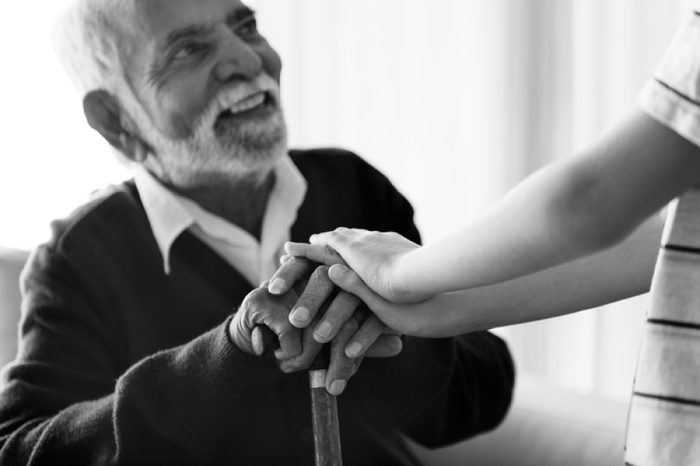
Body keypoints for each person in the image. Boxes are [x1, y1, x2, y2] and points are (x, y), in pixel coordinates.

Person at [0, 0, 515, 464]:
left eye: (245, 26)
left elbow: (483, 394)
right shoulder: (78, 259)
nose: (250, 61)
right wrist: (226, 356)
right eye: (188, 50)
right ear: (116, 121)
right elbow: (22, 450)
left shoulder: (351, 184)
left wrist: (390, 329)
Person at [281, 28, 700, 339]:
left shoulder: (349, 181)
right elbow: (670, 236)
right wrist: (445, 309)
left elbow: (587, 203)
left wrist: (400, 271)